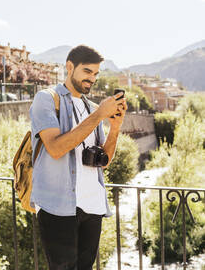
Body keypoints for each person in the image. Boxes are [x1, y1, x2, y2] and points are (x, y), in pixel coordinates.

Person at [29, 45, 127, 270]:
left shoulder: (91, 107)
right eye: (87, 71)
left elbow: (104, 161)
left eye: (95, 74)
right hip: (59, 207)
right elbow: (55, 148)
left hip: (92, 205)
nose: (92, 78)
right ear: (70, 67)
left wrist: (115, 127)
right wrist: (99, 115)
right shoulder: (46, 99)